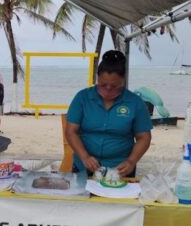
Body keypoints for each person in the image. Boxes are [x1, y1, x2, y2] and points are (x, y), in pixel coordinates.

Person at [65, 50, 152, 178]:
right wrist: (85, 157)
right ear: (97, 78)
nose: (108, 89)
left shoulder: (135, 102)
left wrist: (131, 161)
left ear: (123, 81)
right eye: (103, 85)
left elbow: (144, 137)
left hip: (120, 169)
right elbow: (71, 131)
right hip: (84, 166)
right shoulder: (82, 98)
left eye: (114, 86)